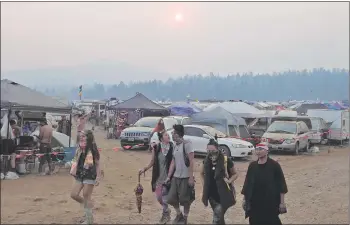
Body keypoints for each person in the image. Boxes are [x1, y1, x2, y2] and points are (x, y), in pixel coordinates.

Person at [241, 143, 288, 225]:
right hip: (255, 202)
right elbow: (247, 184)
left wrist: (282, 203)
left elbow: (281, 184)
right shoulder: (252, 166)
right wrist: (245, 199)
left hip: (270, 202)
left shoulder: (274, 165)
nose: (258, 151)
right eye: (257, 149)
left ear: (267, 151)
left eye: (261, 149)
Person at [200, 138, 238, 224]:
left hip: (223, 193)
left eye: (213, 150)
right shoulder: (206, 161)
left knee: (217, 216)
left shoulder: (225, 160)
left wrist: (229, 181)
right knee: (219, 216)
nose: (211, 153)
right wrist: (204, 184)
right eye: (208, 150)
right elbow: (201, 173)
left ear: (217, 149)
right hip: (211, 195)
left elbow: (235, 174)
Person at [139, 131, 174, 224]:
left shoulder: (172, 147)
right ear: (161, 138)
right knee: (159, 198)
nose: (168, 136)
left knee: (165, 197)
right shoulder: (156, 148)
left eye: (168, 135)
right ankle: (167, 212)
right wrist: (144, 169)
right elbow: (152, 162)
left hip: (169, 178)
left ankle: (165, 215)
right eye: (166, 135)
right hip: (158, 177)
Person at [165, 124, 195, 225]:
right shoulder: (175, 145)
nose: (172, 134)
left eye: (173, 133)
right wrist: (169, 176)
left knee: (185, 199)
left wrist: (191, 177)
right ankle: (179, 214)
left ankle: (185, 218)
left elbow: (191, 161)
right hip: (176, 177)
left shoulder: (187, 144)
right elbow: (173, 162)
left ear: (178, 134)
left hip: (186, 177)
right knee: (171, 198)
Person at [70, 130, 102, 225]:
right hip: (80, 174)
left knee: (86, 195)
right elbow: (76, 160)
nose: (81, 137)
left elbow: (97, 164)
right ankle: (88, 209)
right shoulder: (79, 147)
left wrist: (98, 177)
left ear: (88, 137)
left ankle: (89, 220)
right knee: (74, 195)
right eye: (81, 135)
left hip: (90, 174)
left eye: (83, 136)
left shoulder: (92, 148)